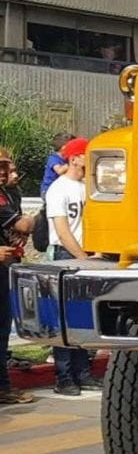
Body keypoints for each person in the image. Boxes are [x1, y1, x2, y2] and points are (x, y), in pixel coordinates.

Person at [46, 137, 100, 395]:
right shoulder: (59, 189)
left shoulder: (87, 188)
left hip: (88, 256)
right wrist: (82, 257)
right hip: (66, 256)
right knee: (64, 319)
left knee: (83, 318)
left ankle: (83, 372)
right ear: (74, 158)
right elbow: (62, 230)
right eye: (85, 155)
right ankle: (64, 377)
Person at [0, 148, 35, 405]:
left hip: (6, 270)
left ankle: (2, 387)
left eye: (6, 167)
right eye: (0, 167)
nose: (4, 173)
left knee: (2, 332)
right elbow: (23, 224)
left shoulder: (7, 194)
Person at [40, 132, 73, 198]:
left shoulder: (67, 158)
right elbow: (59, 171)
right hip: (48, 190)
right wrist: (71, 163)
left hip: (61, 190)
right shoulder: (53, 158)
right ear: (64, 148)